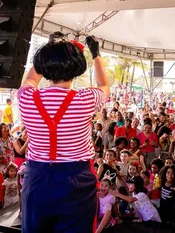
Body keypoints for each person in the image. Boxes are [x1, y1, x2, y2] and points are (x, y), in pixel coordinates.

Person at [17, 33, 109, 232]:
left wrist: (50, 51)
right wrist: (96, 54)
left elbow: (32, 77)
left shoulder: (26, 98)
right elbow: (104, 85)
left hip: (37, 180)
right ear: (76, 70)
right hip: (76, 180)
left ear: (44, 66)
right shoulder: (86, 99)